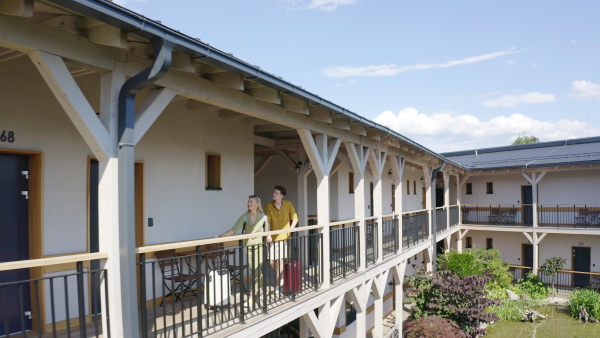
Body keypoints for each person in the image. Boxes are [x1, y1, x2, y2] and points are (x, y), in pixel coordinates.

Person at [219, 195, 269, 308]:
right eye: (248, 202)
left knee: (257, 272)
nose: (249, 204)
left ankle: (252, 297)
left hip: (260, 247)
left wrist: (269, 236)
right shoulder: (244, 217)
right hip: (249, 247)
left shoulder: (264, 217)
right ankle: (260, 289)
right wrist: (224, 235)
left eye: (251, 202)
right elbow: (234, 228)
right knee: (256, 272)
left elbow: (267, 231)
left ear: (257, 204)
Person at [264, 185, 298, 293]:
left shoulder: (288, 204)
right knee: (271, 262)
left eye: (276, 193)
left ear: (282, 196)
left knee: (280, 260)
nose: (273, 194)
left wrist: (291, 229)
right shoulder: (268, 206)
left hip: (284, 237)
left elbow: (295, 217)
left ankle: (277, 286)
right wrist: (268, 235)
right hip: (273, 237)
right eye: (274, 192)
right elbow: (268, 222)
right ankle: (283, 273)